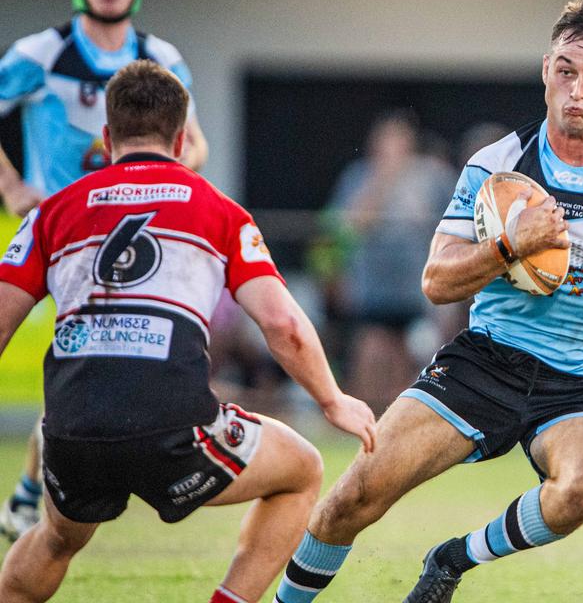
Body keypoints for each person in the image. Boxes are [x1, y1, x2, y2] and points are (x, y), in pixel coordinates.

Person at [272, 0, 583, 603]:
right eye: (565, 71)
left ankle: (454, 558)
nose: (577, 91)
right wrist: (510, 244)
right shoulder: (499, 165)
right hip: (487, 361)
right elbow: (438, 280)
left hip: (582, 383)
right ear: (544, 70)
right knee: (355, 496)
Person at [0, 60, 376, 603]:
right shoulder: (218, 211)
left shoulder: (51, 213)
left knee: (58, 536)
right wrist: (332, 399)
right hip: (172, 429)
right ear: (181, 141)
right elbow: (282, 324)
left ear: (107, 139)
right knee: (301, 469)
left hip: (71, 427)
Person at [0, 0, 209, 541]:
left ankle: (30, 491)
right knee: (70, 356)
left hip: (124, 239)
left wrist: (162, 184)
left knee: (82, 357)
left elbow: (194, 146)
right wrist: (12, 187)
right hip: (56, 232)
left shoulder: (160, 57)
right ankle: (33, 491)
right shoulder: (42, 53)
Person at [324, 109, 455, 412]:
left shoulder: (430, 177)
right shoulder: (359, 176)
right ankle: (360, 420)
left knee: (409, 366)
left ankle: (396, 424)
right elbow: (346, 228)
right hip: (373, 291)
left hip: (416, 290)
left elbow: (456, 223)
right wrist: (383, 180)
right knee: (370, 357)